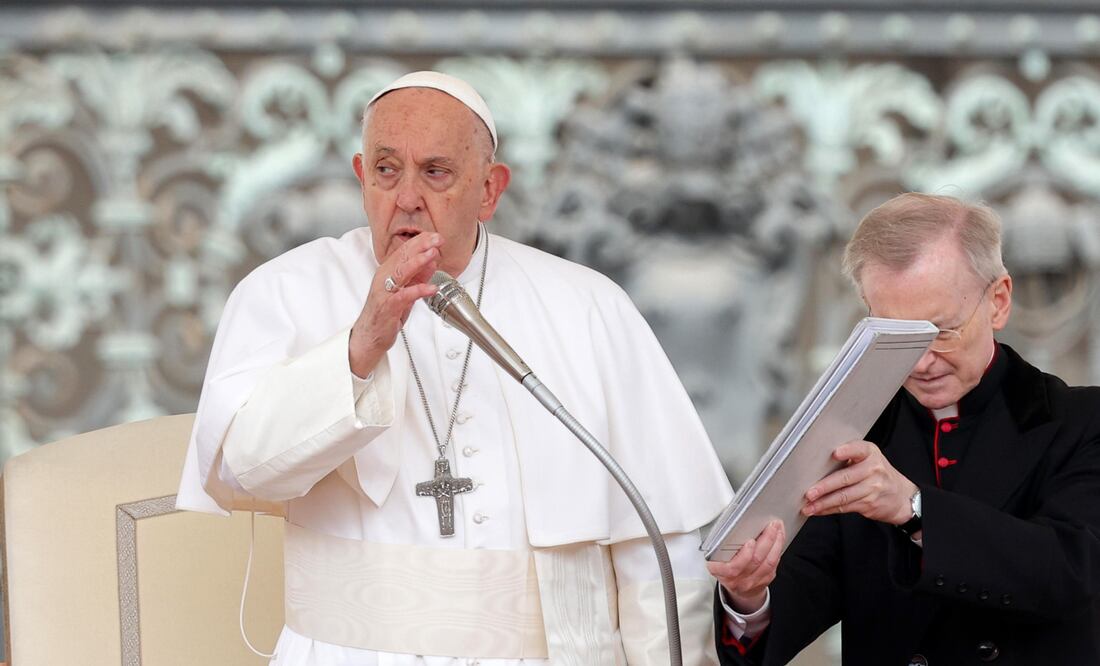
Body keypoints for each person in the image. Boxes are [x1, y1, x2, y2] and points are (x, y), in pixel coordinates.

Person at [176, 70, 733, 665]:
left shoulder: (589, 307)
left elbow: (658, 552)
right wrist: (359, 349)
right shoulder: (283, 293)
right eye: (387, 170)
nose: (407, 196)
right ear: (363, 177)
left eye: (435, 172)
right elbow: (236, 473)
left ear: (490, 190)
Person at [708, 192, 1100, 665]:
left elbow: (1071, 574)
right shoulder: (856, 433)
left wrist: (914, 509)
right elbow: (797, 601)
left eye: (940, 331)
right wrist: (749, 597)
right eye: (895, 335)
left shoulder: (1080, 421)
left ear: (998, 302)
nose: (922, 361)